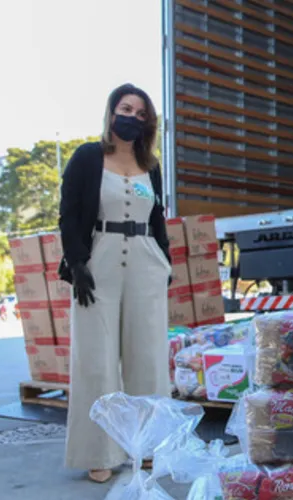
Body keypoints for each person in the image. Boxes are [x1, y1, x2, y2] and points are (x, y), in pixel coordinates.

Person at [58, 83, 172, 483]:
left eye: (141, 114)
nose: (133, 118)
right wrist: (77, 263)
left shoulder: (151, 166)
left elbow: (157, 216)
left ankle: (148, 448)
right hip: (99, 259)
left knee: (149, 359)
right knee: (96, 360)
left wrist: (166, 261)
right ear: (111, 113)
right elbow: (68, 214)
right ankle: (99, 451)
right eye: (126, 109)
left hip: (145, 259)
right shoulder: (88, 157)